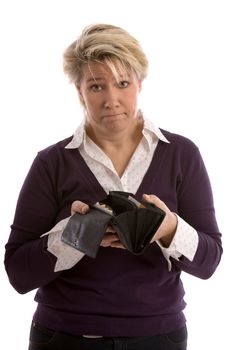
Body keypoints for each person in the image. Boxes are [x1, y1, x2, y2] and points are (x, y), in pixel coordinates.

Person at [4, 23, 222, 350]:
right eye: (96, 86)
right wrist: (74, 235)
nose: (111, 100)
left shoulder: (181, 154)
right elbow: (18, 274)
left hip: (159, 337)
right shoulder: (52, 163)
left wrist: (169, 228)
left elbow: (209, 261)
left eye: (122, 83)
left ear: (139, 83)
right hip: (64, 337)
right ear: (79, 90)